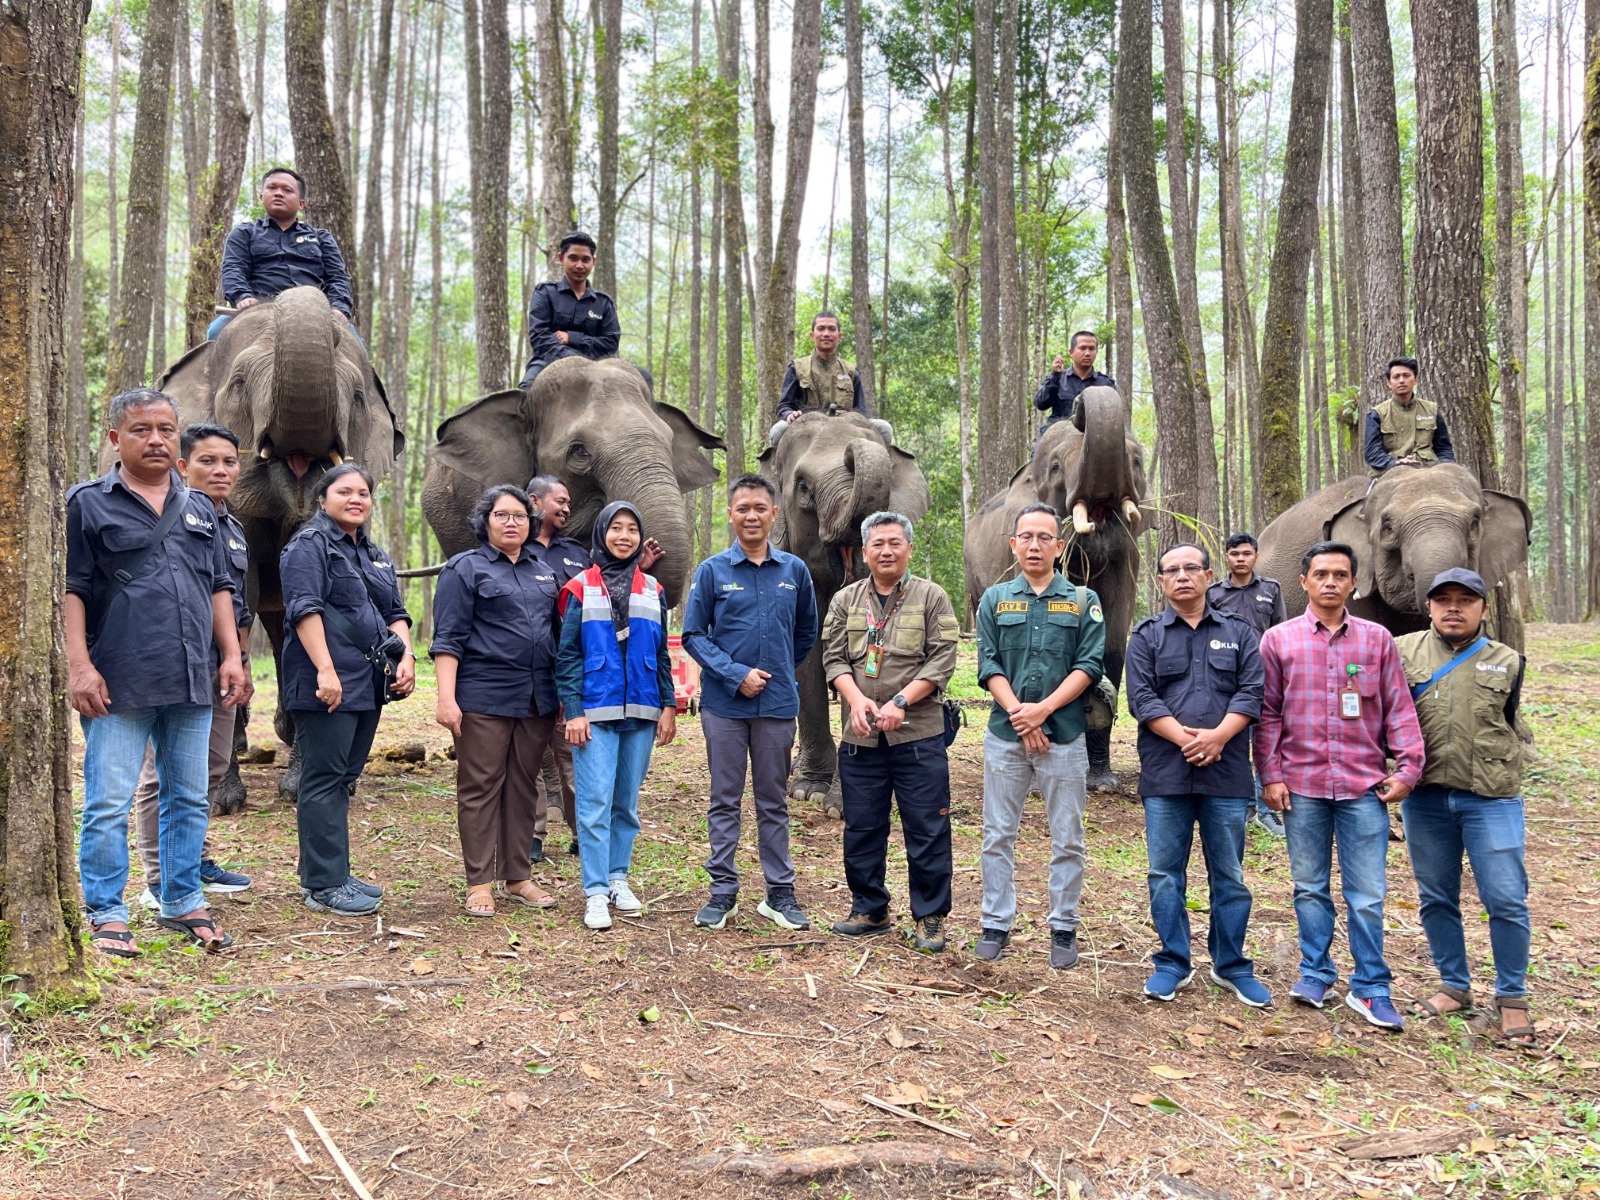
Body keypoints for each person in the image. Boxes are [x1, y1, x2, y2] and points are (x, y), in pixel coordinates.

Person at [67, 390, 250, 956]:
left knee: (188, 797)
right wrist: (79, 666)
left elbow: (218, 586)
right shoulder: (87, 503)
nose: (156, 440)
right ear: (114, 438)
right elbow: (73, 589)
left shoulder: (199, 507)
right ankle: (105, 910)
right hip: (119, 678)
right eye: (141, 429)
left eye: (166, 430)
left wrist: (231, 656)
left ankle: (181, 899)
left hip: (193, 677)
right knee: (108, 802)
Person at [1254, 541, 1425, 1031]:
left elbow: (1397, 707)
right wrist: (1270, 774)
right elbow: (1268, 715)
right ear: (1304, 582)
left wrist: (1408, 769)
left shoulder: (1377, 640)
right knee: (1309, 888)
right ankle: (1316, 973)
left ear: (1354, 583)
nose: (1330, 582)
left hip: (1364, 786)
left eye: (1340, 575)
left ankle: (1371, 986)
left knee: (1367, 893)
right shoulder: (1279, 641)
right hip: (1302, 785)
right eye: (1321, 574)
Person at [1126, 543, 1269, 1006]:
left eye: (1192, 568)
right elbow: (1142, 699)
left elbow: (1251, 692)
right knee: (1165, 874)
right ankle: (1173, 962)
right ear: (1161, 581)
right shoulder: (1146, 636)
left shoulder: (1240, 633)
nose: (1183, 576)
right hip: (1166, 774)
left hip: (1226, 773)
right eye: (1173, 570)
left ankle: (1231, 965)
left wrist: (1218, 737)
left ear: (1209, 576)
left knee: (1229, 874)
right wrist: (1187, 740)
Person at [1396, 569, 1534, 1045]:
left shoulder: (1508, 660)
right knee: (1437, 895)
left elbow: (1508, 719)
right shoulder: (1401, 651)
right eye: (1443, 600)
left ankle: (1512, 997)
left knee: (1506, 898)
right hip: (1425, 796)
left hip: (1491, 797)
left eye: (1465, 600)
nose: (1453, 607)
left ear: (1483, 608)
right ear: (1429, 607)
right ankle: (1454, 985)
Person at [681, 475, 819, 932]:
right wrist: (735, 674)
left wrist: (775, 668)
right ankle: (722, 891)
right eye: (743, 508)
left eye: (760, 508)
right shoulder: (712, 571)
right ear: (730, 515)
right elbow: (693, 635)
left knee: (773, 801)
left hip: (777, 705)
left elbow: (805, 633)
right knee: (724, 799)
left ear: (775, 514)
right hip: (724, 707)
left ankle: (779, 893)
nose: (752, 516)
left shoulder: (794, 572)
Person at [973, 504, 1105, 969]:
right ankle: (995, 923)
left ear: (1059, 546)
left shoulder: (1082, 600)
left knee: (1068, 837)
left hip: (1064, 737)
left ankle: (1063, 926)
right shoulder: (995, 600)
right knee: (997, 834)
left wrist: (1043, 711)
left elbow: (1089, 665)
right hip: (1005, 736)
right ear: (1013, 545)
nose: (1034, 545)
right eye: (1026, 537)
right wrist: (1020, 715)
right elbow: (988, 663)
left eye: (1044, 537)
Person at [280, 463, 415, 916]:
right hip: (326, 683)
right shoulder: (308, 545)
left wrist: (407, 657)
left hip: (367, 682)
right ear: (322, 499)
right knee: (322, 777)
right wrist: (325, 669)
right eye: (344, 491)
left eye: (363, 493)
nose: (356, 499)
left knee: (343, 777)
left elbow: (395, 612)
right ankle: (323, 884)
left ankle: (333, 871)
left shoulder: (373, 553)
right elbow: (304, 609)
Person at [130, 424, 256, 911]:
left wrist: (240, 661)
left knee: (211, 767)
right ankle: (158, 877)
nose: (220, 470)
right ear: (183, 466)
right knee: (160, 773)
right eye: (207, 461)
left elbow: (239, 606)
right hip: (173, 662)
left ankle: (192, 860)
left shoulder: (234, 529)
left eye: (229, 461)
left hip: (222, 666)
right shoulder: (166, 515)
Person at [822, 512, 960, 952]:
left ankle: (930, 917)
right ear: (864, 552)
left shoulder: (932, 597)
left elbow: (942, 659)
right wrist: (856, 699)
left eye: (895, 543)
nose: (886, 551)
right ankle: (870, 909)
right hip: (861, 735)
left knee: (927, 827)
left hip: (918, 734)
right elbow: (833, 659)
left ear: (909, 549)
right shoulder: (845, 600)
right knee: (862, 826)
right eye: (877, 544)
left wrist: (901, 701)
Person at [431, 486, 563, 918]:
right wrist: (446, 698)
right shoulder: (464, 569)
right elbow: (448, 638)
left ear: (531, 522)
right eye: (502, 515)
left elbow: (558, 638)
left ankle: (518, 876)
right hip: (483, 697)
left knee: (523, 786)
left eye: (520, 516)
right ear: (485, 521)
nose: (511, 523)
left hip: (536, 699)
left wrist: (564, 695)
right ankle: (479, 882)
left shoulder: (543, 571)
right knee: (480, 787)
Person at [524, 474, 663, 861]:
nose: (567, 508)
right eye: (560, 501)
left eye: (569, 502)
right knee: (530, 759)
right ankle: (532, 836)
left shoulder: (575, 553)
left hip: (582, 675)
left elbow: (610, 591)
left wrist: (638, 568)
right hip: (531, 670)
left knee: (574, 756)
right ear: (534, 502)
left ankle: (583, 835)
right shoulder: (515, 548)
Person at [556, 501, 677, 931]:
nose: (624, 537)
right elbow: (567, 655)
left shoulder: (653, 589)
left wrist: (668, 706)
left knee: (626, 803)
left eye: (632, 530)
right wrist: (573, 711)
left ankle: (617, 878)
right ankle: (594, 891)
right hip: (594, 711)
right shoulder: (579, 587)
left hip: (642, 710)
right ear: (602, 533)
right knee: (594, 804)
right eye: (616, 528)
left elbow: (661, 654)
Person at [1206, 531, 1289, 837]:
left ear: (1256, 555)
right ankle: (1242, 806)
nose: (1240, 559)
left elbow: (1279, 631)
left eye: (1246, 553)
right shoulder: (1214, 593)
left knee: (1265, 741)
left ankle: (1266, 810)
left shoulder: (1271, 589)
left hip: (1264, 677)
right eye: (1234, 554)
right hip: (1225, 679)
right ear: (1226, 557)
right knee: (1232, 741)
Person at [213, 167, 356, 342]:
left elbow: (338, 277)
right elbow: (233, 268)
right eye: (272, 188)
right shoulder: (244, 233)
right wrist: (242, 297)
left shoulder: (321, 237)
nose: (278, 193)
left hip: (313, 312)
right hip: (258, 309)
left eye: (287, 190)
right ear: (261, 197)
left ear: (301, 203)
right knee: (214, 332)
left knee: (356, 345)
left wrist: (339, 307)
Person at [518, 232, 621, 390]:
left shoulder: (604, 303)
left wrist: (572, 337)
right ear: (561, 258)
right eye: (573, 258)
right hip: (546, 362)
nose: (579, 265)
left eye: (585, 260)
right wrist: (574, 360)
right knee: (524, 393)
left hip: (597, 366)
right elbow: (539, 337)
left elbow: (610, 343)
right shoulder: (545, 293)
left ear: (593, 262)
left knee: (638, 383)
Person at [771, 312, 892, 444]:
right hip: (807, 425)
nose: (826, 334)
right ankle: (771, 459)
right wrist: (789, 414)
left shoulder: (851, 372)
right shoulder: (797, 368)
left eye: (832, 329)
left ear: (839, 336)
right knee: (778, 431)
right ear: (812, 335)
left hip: (846, 425)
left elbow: (861, 411)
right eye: (821, 328)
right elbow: (784, 406)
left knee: (884, 428)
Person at [1364, 357, 1455, 475]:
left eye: (1406, 376)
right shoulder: (1376, 414)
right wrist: (1394, 463)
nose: (1401, 380)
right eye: (1396, 377)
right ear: (1389, 383)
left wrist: (1446, 468)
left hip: (1429, 471)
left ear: (1416, 379)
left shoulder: (1432, 410)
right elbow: (1372, 453)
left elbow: (1444, 448)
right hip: (1390, 473)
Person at [1033, 331, 1115, 443]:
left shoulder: (1106, 383)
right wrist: (1054, 377)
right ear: (1071, 352)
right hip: (1058, 437)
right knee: (1037, 451)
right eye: (1082, 348)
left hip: (1095, 437)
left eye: (1091, 349)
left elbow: (1113, 416)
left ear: (1096, 351)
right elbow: (1041, 404)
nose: (1087, 353)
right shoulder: (1058, 378)